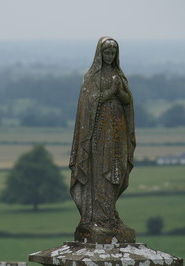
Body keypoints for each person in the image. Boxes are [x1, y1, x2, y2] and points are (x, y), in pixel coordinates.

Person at [69, 37, 136, 243]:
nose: (109, 56)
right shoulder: (91, 77)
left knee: (118, 171)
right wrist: (110, 92)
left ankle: (111, 216)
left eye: (112, 53)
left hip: (117, 132)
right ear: (100, 54)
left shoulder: (120, 76)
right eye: (106, 53)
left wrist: (121, 92)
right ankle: (96, 219)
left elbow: (127, 102)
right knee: (100, 172)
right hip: (99, 134)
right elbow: (89, 104)